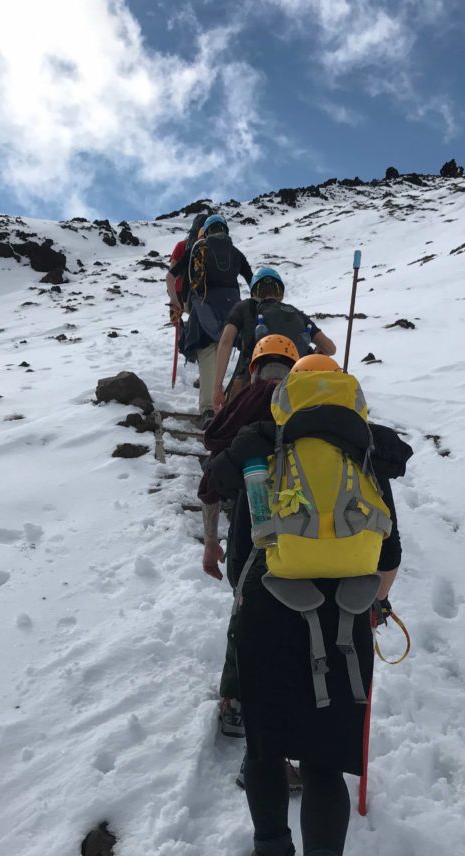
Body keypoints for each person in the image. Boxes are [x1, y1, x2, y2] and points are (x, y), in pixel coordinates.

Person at [204, 354, 411, 856]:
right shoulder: (367, 450)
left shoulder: (264, 446)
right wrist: (372, 609)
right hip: (346, 615)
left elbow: (233, 521)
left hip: (271, 605)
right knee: (323, 761)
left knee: (266, 750)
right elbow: (391, 551)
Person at [198, 334, 301, 740]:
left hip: (252, 521)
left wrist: (210, 541)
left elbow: (212, 471)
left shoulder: (249, 399)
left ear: (254, 367)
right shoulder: (314, 405)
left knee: (247, 609)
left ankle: (236, 701)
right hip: (310, 527)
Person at [211, 267, 336, 413]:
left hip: (250, 383)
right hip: (292, 386)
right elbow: (330, 348)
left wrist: (217, 386)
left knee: (232, 422)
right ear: (280, 293)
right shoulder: (294, 313)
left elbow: (226, 341)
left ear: (254, 290)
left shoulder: (243, 307)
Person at [169, 214, 252, 423]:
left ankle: (208, 410)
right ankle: (229, 402)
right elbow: (252, 280)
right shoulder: (235, 252)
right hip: (232, 310)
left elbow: (171, 276)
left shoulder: (198, 249)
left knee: (207, 355)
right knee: (224, 351)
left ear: (205, 232)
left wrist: (176, 302)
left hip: (202, 309)